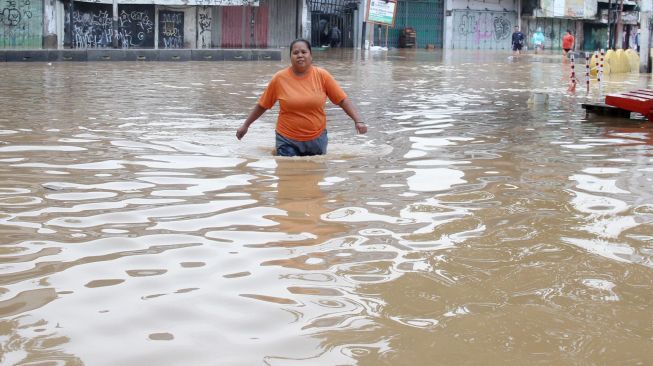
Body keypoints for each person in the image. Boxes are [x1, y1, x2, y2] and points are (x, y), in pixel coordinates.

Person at [236, 38, 367, 157]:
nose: (300, 55)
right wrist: (246, 125)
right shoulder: (279, 78)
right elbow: (263, 105)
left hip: (316, 139)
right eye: (295, 52)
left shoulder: (322, 76)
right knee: (288, 174)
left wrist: (358, 121)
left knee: (313, 178)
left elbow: (342, 100)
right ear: (291, 57)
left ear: (311, 55)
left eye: (304, 52)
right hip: (287, 138)